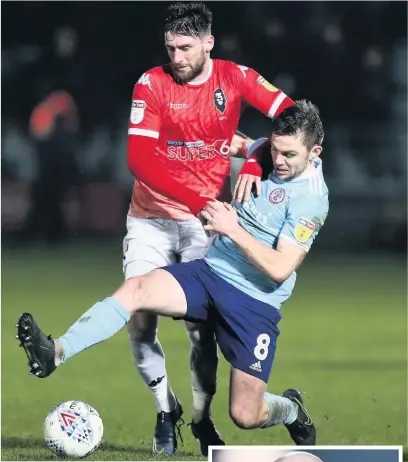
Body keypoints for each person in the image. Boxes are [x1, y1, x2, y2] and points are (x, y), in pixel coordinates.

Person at [17, 99, 328, 448]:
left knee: (245, 414)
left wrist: (232, 228)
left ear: (314, 151)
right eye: (275, 150)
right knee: (136, 290)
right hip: (210, 273)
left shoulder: (311, 200)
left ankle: (290, 409)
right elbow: (230, 140)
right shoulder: (267, 153)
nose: (280, 161)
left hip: (254, 304)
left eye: (289, 155)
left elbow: (280, 268)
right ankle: (56, 351)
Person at [111, 1, 294, 455]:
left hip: (203, 228)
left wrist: (255, 154)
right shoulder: (151, 83)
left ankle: (199, 417)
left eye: (186, 47)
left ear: (209, 42)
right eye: (170, 47)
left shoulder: (235, 78)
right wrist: (199, 200)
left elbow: (289, 114)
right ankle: (163, 409)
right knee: (138, 317)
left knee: (201, 329)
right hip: (151, 219)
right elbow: (140, 160)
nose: (176, 57)